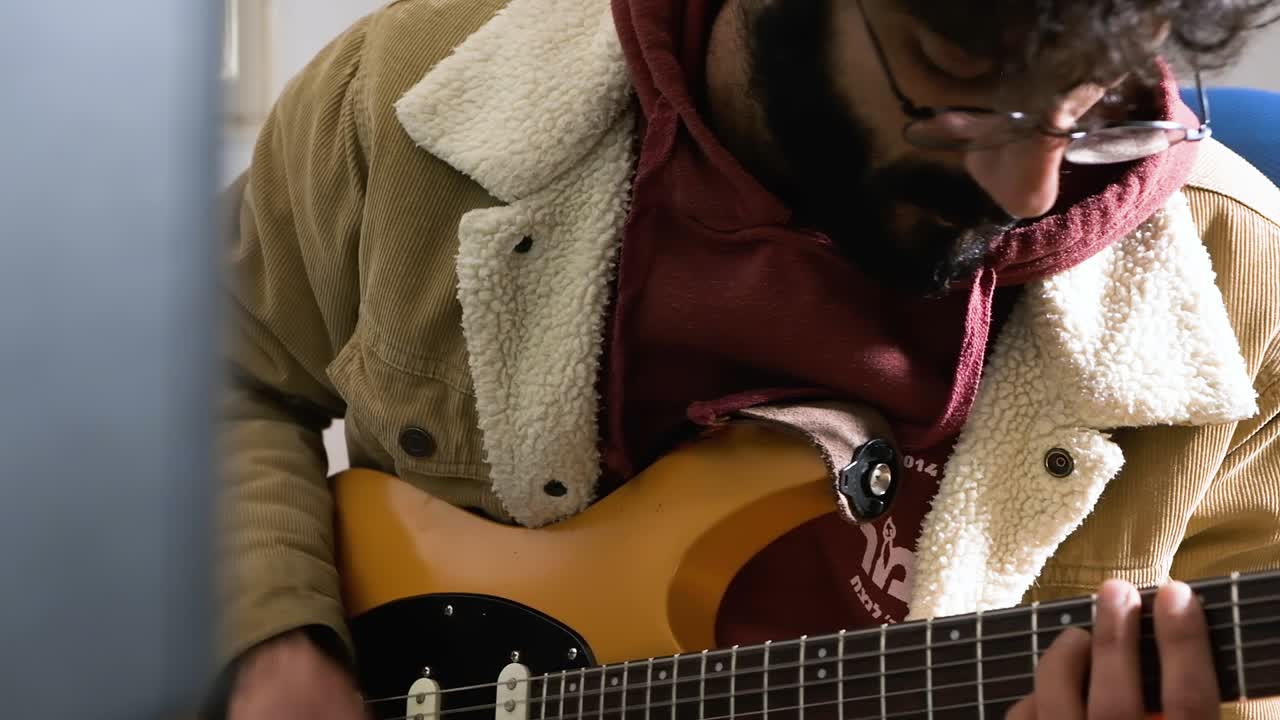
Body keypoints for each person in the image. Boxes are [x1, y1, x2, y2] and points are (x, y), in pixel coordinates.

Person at [208, 0, 1280, 717]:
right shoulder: (407, 98)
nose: (1028, 190)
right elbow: (211, 375)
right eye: (955, 77)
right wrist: (272, 637)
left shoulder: (1242, 288)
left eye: (1094, 102)